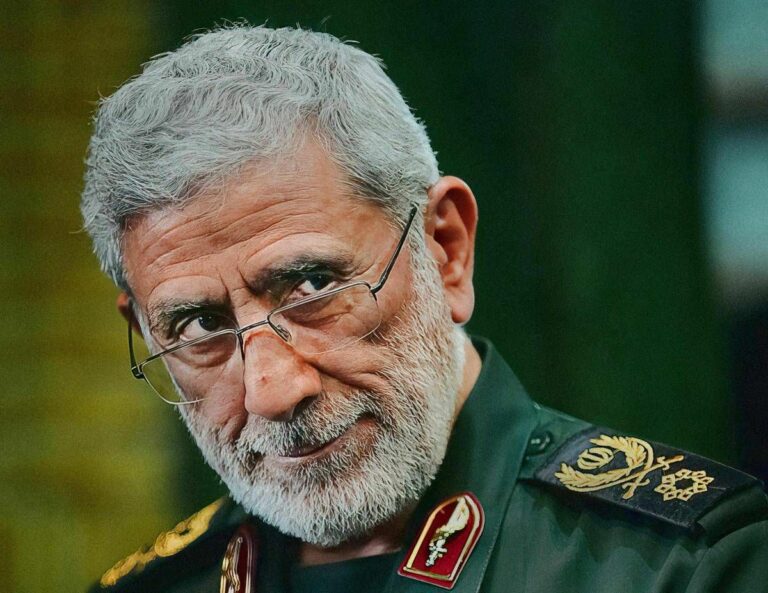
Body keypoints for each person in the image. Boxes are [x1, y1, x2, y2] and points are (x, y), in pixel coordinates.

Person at [81, 24, 767, 593]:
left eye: (312, 285)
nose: (272, 391)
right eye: (200, 325)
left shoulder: (690, 569)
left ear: (446, 248)